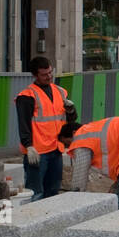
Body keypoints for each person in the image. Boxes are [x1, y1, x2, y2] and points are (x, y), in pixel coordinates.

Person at [16, 56, 74, 201]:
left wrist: (72, 110)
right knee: (36, 193)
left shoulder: (60, 92)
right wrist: (28, 145)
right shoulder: (27, 96)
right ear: (35, 75)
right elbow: (23, 123)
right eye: (44, 74)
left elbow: (69, 120)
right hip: (38, 152)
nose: (49, 77)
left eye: (50, 73)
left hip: (56, 149)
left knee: (53, 192)